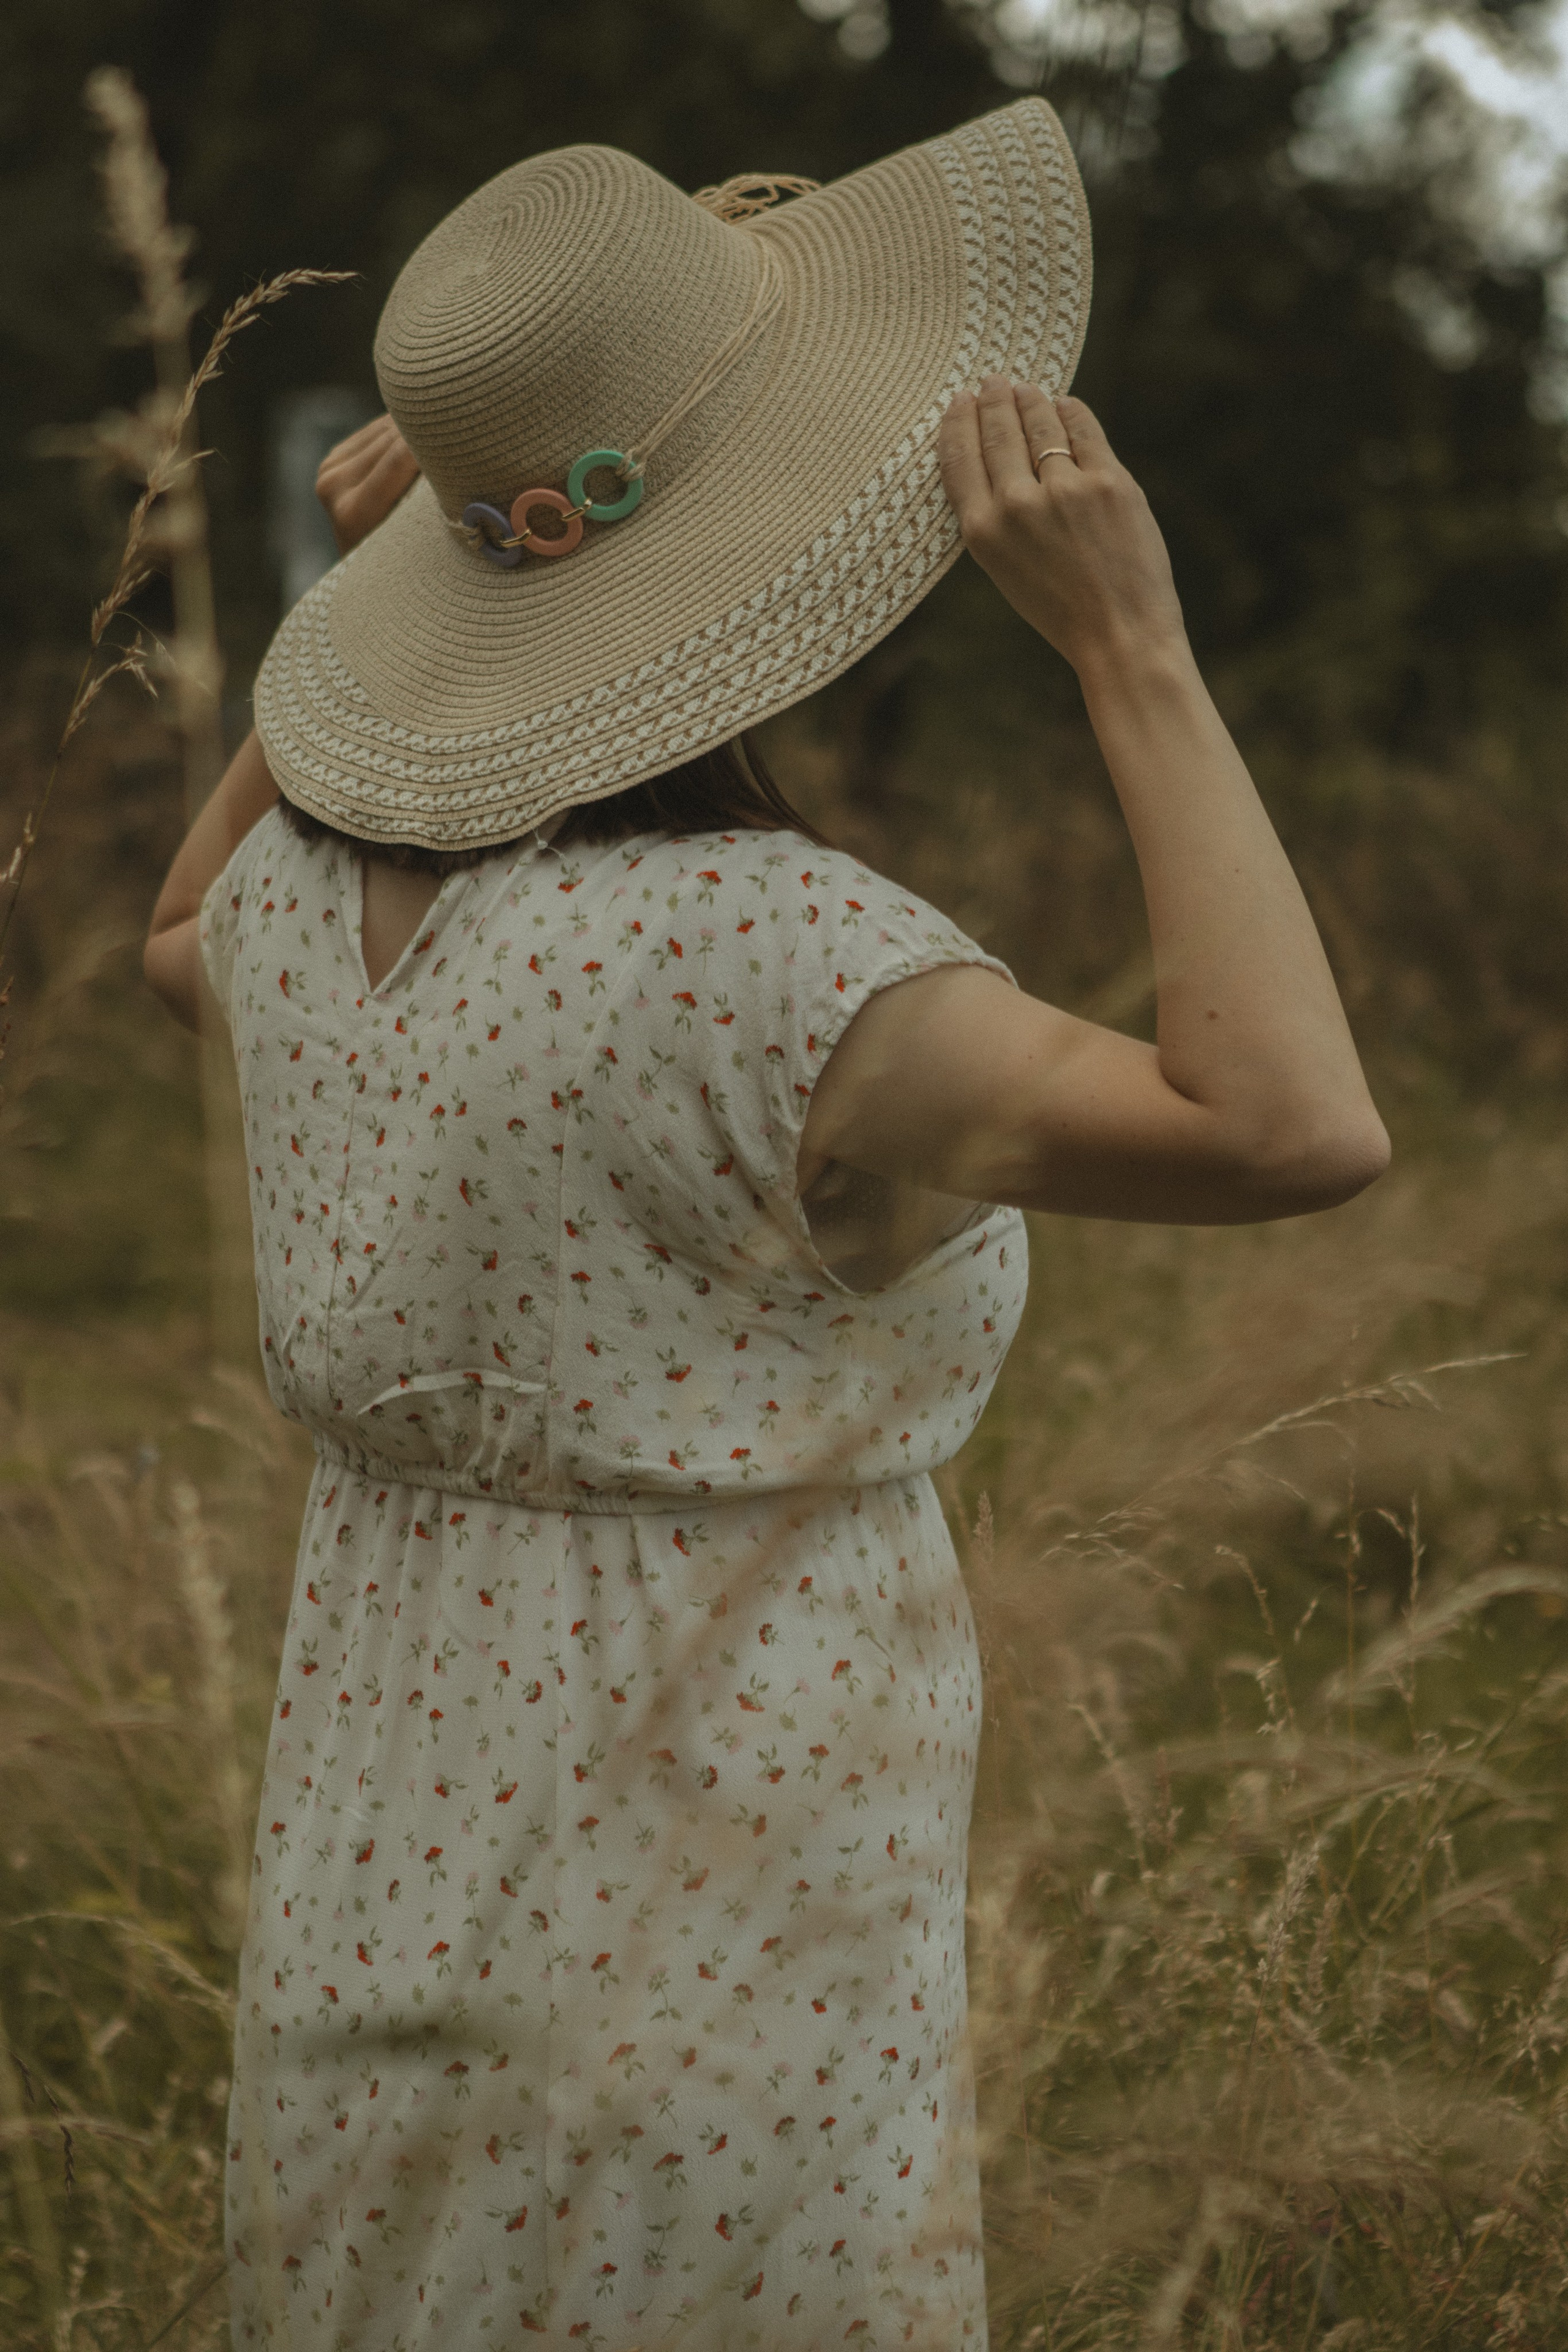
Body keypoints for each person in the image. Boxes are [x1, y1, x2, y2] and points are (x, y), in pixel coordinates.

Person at [144, 100, 1387, 2352]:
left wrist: (372, 620)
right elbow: (1293, 1126)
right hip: (717, 1829)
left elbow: (172, 927)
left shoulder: (297, 911)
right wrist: (1134, 657)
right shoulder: (792, 960)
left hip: (377, 1808)